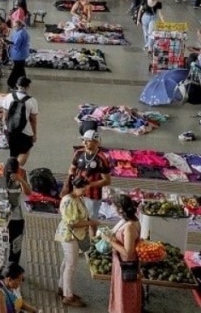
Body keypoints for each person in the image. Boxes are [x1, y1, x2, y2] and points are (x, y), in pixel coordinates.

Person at [55, 177, 97, 308]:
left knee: (66, 263)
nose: (85, 192)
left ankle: (62, 288)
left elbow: (83, 215)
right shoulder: (69, 201)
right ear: (77, 188)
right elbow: (72, 223)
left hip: (74, 236)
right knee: (71, 266)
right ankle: (68, 296)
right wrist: (91, 223)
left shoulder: (78, 198)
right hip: (69, 236)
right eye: (84, 189)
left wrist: (90, 222)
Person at [61, 130, 111, 230]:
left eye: (88, 140)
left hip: (93, 195)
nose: (84, 143)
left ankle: (93, 241)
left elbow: (107, 180)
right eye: (84, 140)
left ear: (96, 142)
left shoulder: (101, 159)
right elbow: (72, 168)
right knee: (76, 215)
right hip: (77, 191)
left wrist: (90, 185)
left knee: (91, 220)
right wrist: (73, 177)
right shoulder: (79, 153)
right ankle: (80, 235)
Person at [101, 195, 143, 313]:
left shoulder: (129, 227)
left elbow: (128, 252)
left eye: (113, 206)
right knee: (121, 292)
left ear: (120, 209)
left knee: (125, 294)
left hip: (126, 265)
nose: (112, 208)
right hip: (121, 264)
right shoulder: (130, 221)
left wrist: (110, 241)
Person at [0, 77, 38, 166]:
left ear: (17, 85)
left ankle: (9, 170)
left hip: (10, 130)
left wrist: (5, 129)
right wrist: (35, 134)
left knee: (13, 153)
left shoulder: (8, 97)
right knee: (25, 152)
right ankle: (15, 171)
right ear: (28, 86)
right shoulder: (32, 101)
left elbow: (5, 116)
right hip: (24, 132)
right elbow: (33, 120)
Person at [6, 19, 30, 91]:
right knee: (21, 69)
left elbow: (16, 45)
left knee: (16, 69)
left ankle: (11, 83)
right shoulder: (23, 31)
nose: (14, 28)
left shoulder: (20, 34)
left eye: (15, 26)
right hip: (22, 54)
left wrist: (8, 42)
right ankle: (24, 82)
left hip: (18, 55)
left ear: (19, 26)